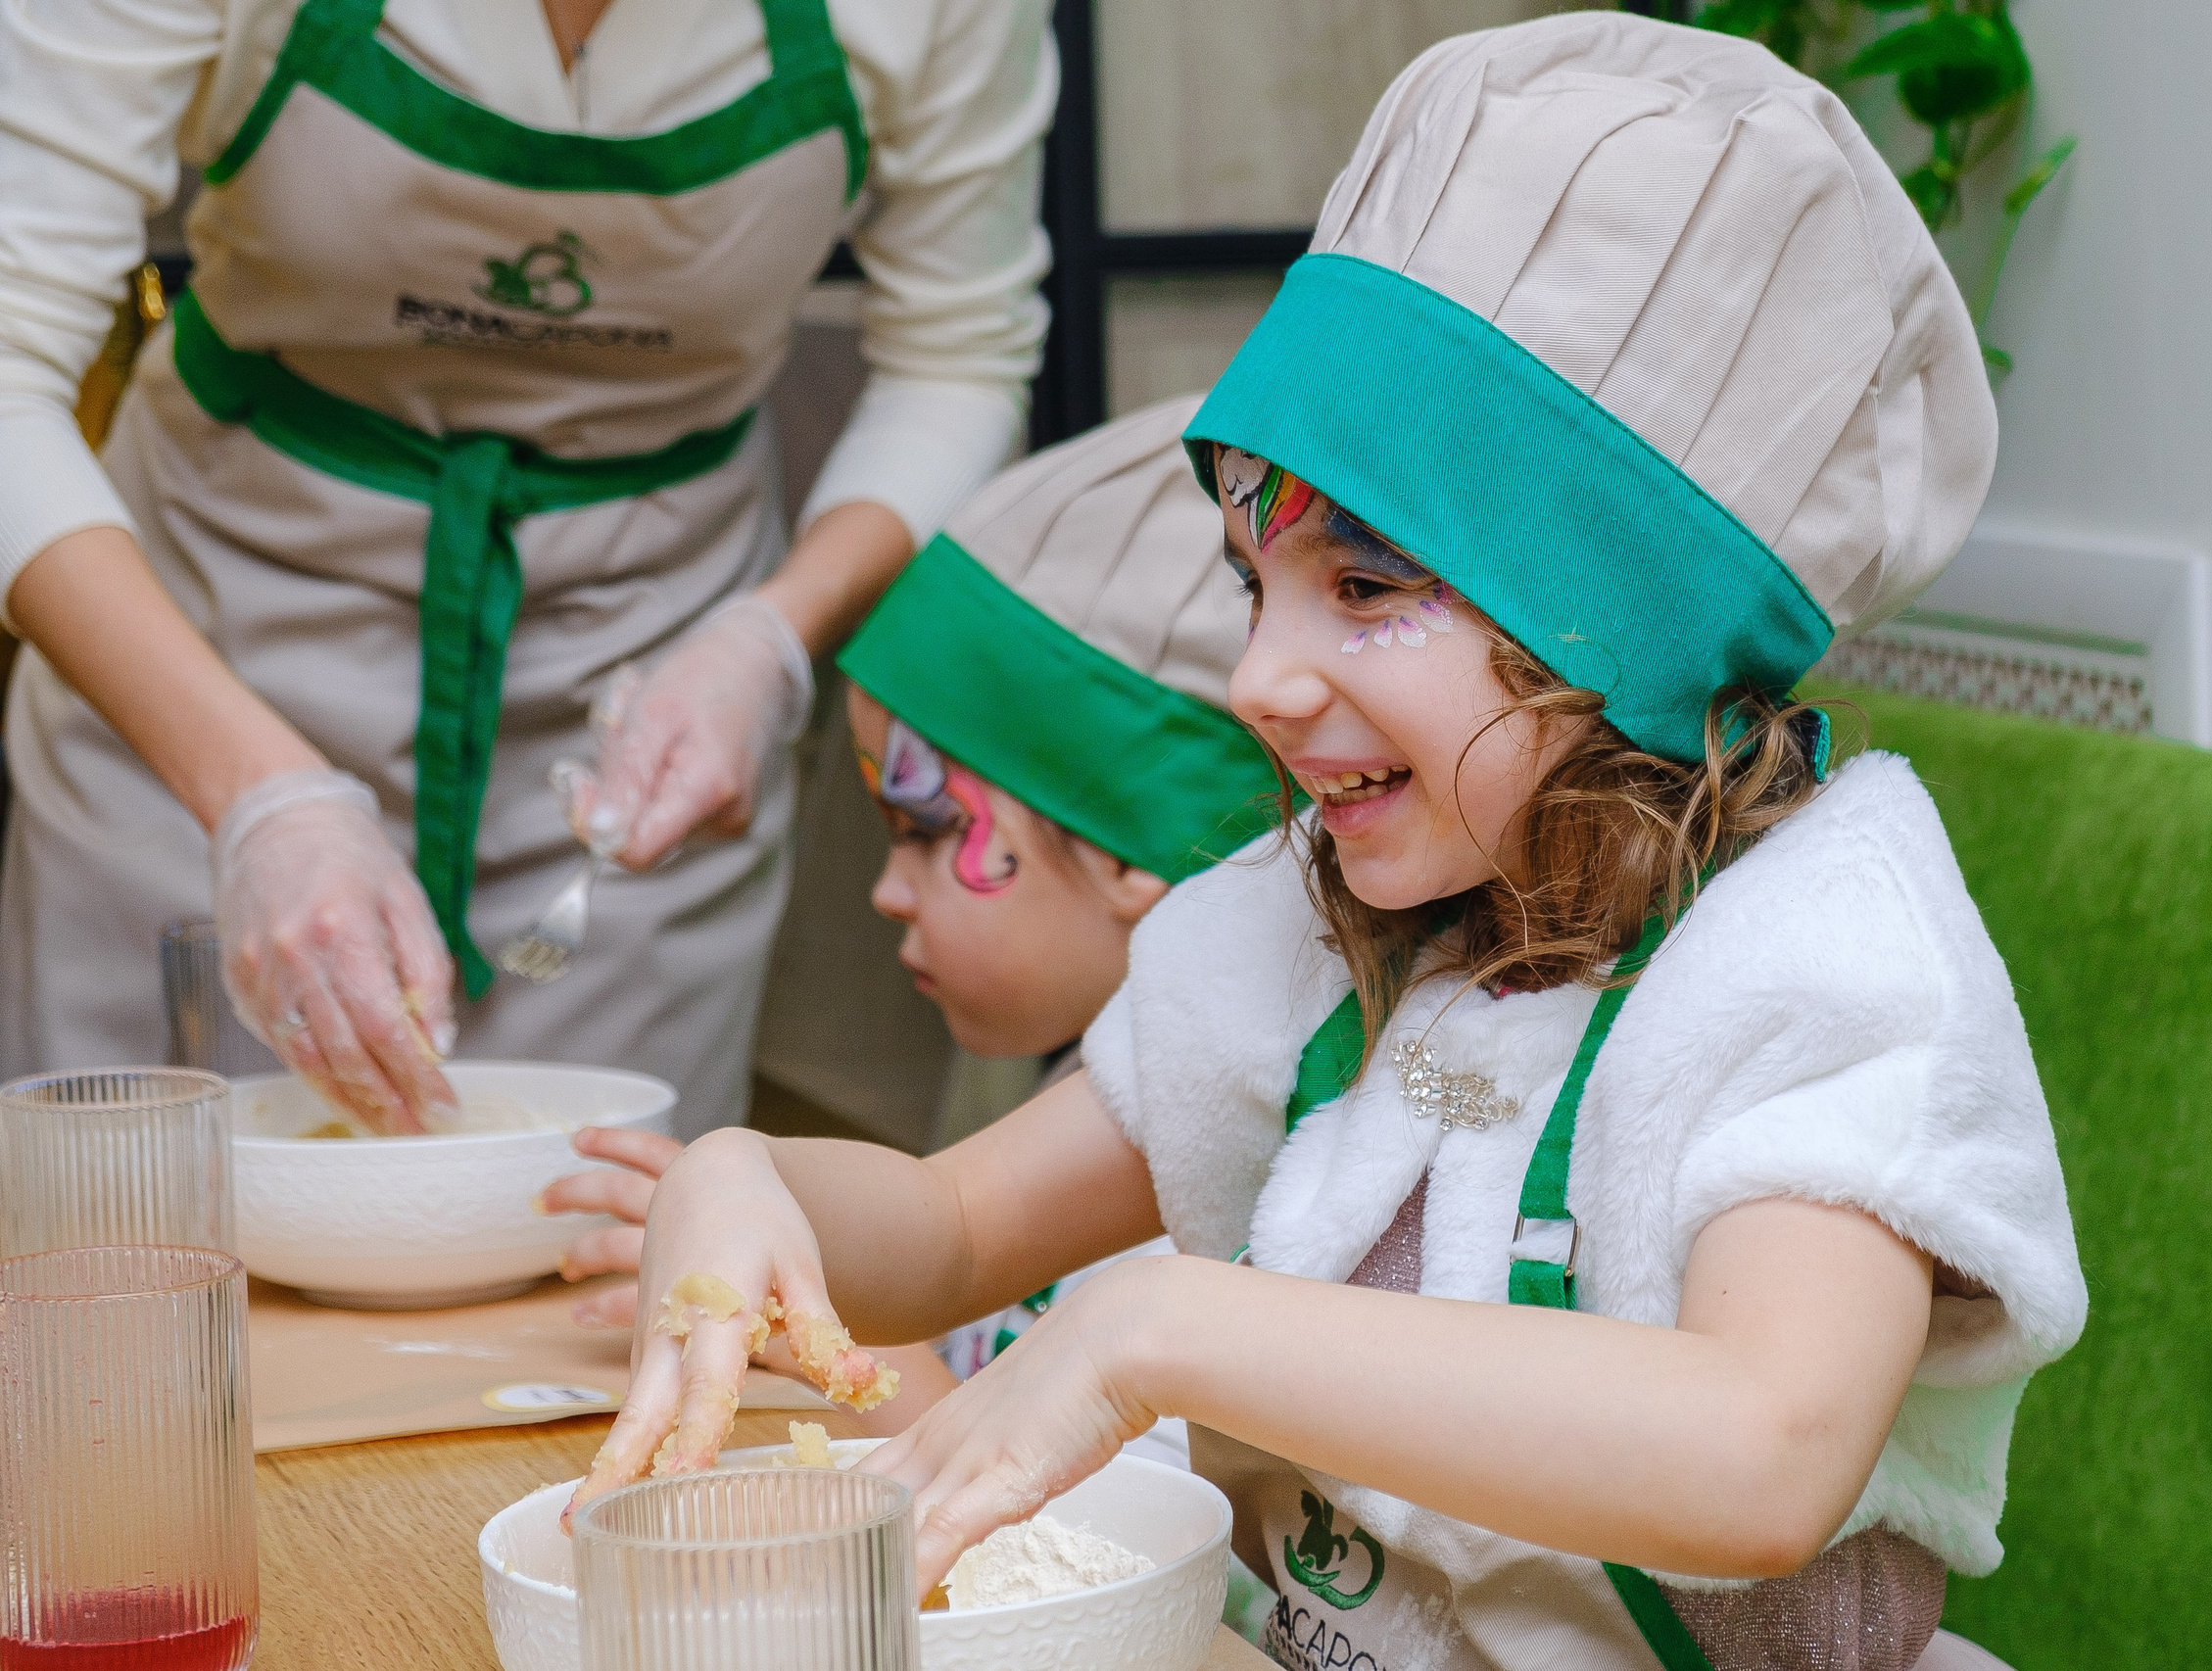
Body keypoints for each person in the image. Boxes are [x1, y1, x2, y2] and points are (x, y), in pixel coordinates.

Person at [575, 17, 2087, 1669]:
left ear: (1621, 630)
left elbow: (1761, 1453)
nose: (1255, 680)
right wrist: (741, 1187)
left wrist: (1164, 1324)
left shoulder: (1817, 961)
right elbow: (944, 1235)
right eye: (1254, 585)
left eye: (1364, 590)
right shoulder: (1302, 933)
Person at [0, 0, 1055, 1136]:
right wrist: (258, 797)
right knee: (153, 1237)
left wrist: (769, 638)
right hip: (196, 645)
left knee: (607, 1258)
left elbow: (959, 350)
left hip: (640, 691)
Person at [540, 392, 1273, 1478]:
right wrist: (753, 1229)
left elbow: (1109, 1523)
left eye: (923, 831)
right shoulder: (1075, 1101)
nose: (885, 892)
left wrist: (830, 1329)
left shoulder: (1217, 1183)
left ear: (1130, 852)